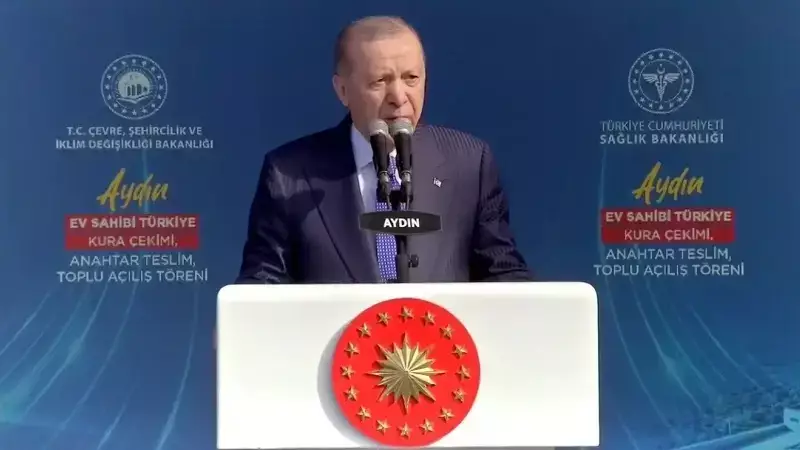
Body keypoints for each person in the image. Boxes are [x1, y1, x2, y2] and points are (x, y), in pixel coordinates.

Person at [237, 16, 532, 283]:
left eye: (411, 78)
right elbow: (262, 285)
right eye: (380, 81)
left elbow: (503, 273)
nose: (399, 97)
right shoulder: (290, 174)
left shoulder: (469, 163)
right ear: (342, 91)